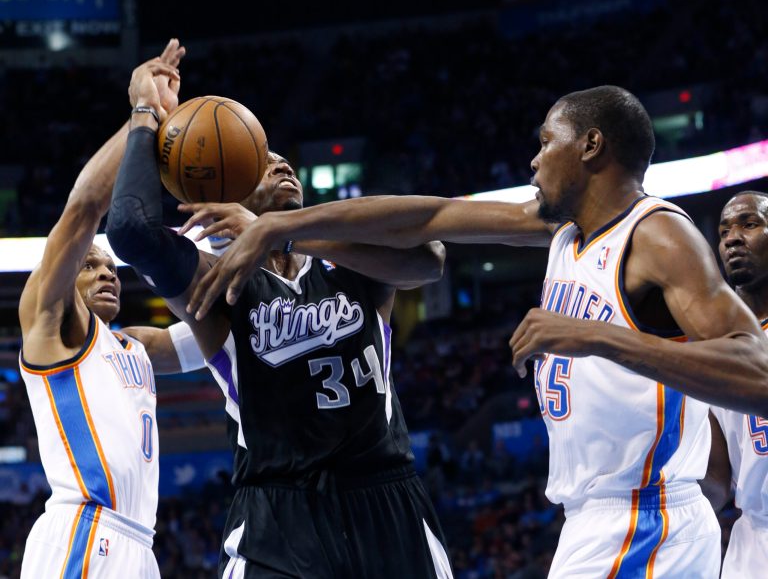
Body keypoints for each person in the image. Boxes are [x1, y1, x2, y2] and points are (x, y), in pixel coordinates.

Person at [187, 85, 768, 578]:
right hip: (597, 518)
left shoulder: (658, 235)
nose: (534, 160)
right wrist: (282, 228)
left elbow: (757, 371)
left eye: (547, 141)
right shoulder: (559, 229)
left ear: (592, 146)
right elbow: (427, 217)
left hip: (645, 517)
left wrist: (596, 337)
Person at [105, 95, 453, 575]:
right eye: (263, 161)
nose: (282, 164)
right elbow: (130, 230)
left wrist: (282, 231)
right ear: (230, 187)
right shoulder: (218, 281)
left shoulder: (349, 256)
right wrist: (146, 113)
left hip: (387, 501)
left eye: (284, 160)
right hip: (279, 518)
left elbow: (428, 259)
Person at [16, 41, 207, 578]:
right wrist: (144, 116)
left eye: (112, 269)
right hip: (83, 532)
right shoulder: (51, 324)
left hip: (137, 544)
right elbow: (83, 211)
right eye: (90, 266)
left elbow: (210, 340)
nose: (106, 273)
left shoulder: (135, 346)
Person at [701, 190, 768, 578]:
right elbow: (717, 482)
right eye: (724, 229)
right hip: (753, 544)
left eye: (749, 223)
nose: (731, 237)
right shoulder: (711, 350)